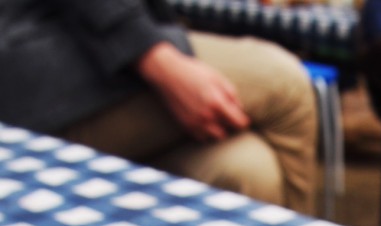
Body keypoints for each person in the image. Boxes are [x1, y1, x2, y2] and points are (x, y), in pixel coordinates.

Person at [0, 0, 317, 213]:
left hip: (79, 52)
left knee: (245, 171)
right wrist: (154, 58)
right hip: (30, 71)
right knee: (286, 84)